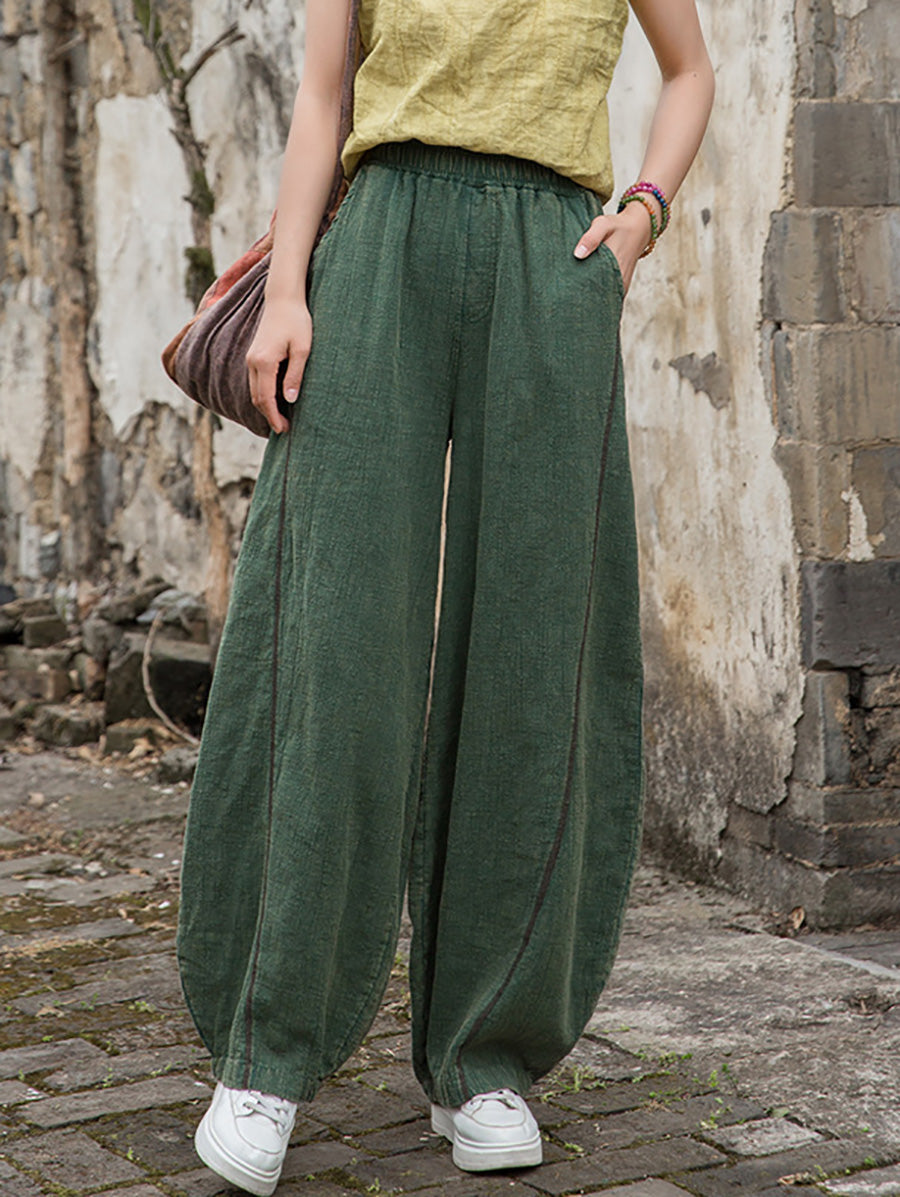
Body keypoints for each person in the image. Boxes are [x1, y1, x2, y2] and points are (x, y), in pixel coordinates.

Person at [174, 0, 715, 1193]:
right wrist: (287, 290)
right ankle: (266, 1050)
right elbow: (323, 95)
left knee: (535, 639)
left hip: (556, 257)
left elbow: (689, 71)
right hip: (381, 245)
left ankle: (485, 1059)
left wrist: (642, 214)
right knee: (332, 635)